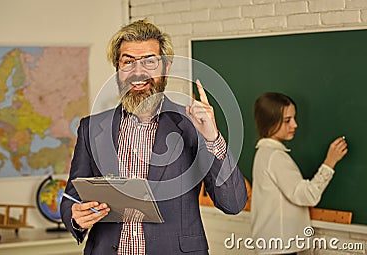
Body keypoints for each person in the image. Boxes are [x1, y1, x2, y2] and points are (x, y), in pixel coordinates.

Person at [60, 19, 247, 255]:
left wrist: (212, 137)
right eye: (128, 61)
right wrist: (75, 217)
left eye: (149, 61)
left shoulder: (191, 125)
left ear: (166, 68)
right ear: (117, 69)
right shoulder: (91, 128)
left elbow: (233, 202)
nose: (138, 72)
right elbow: (71, 197)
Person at [250, 92, 348, 254]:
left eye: (294, 118)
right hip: (279, 247)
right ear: (270, 122)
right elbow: (307, 195)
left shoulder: (264, 153)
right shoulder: (275, 156)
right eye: (287, 120)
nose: (295, 125)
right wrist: (330, 161)